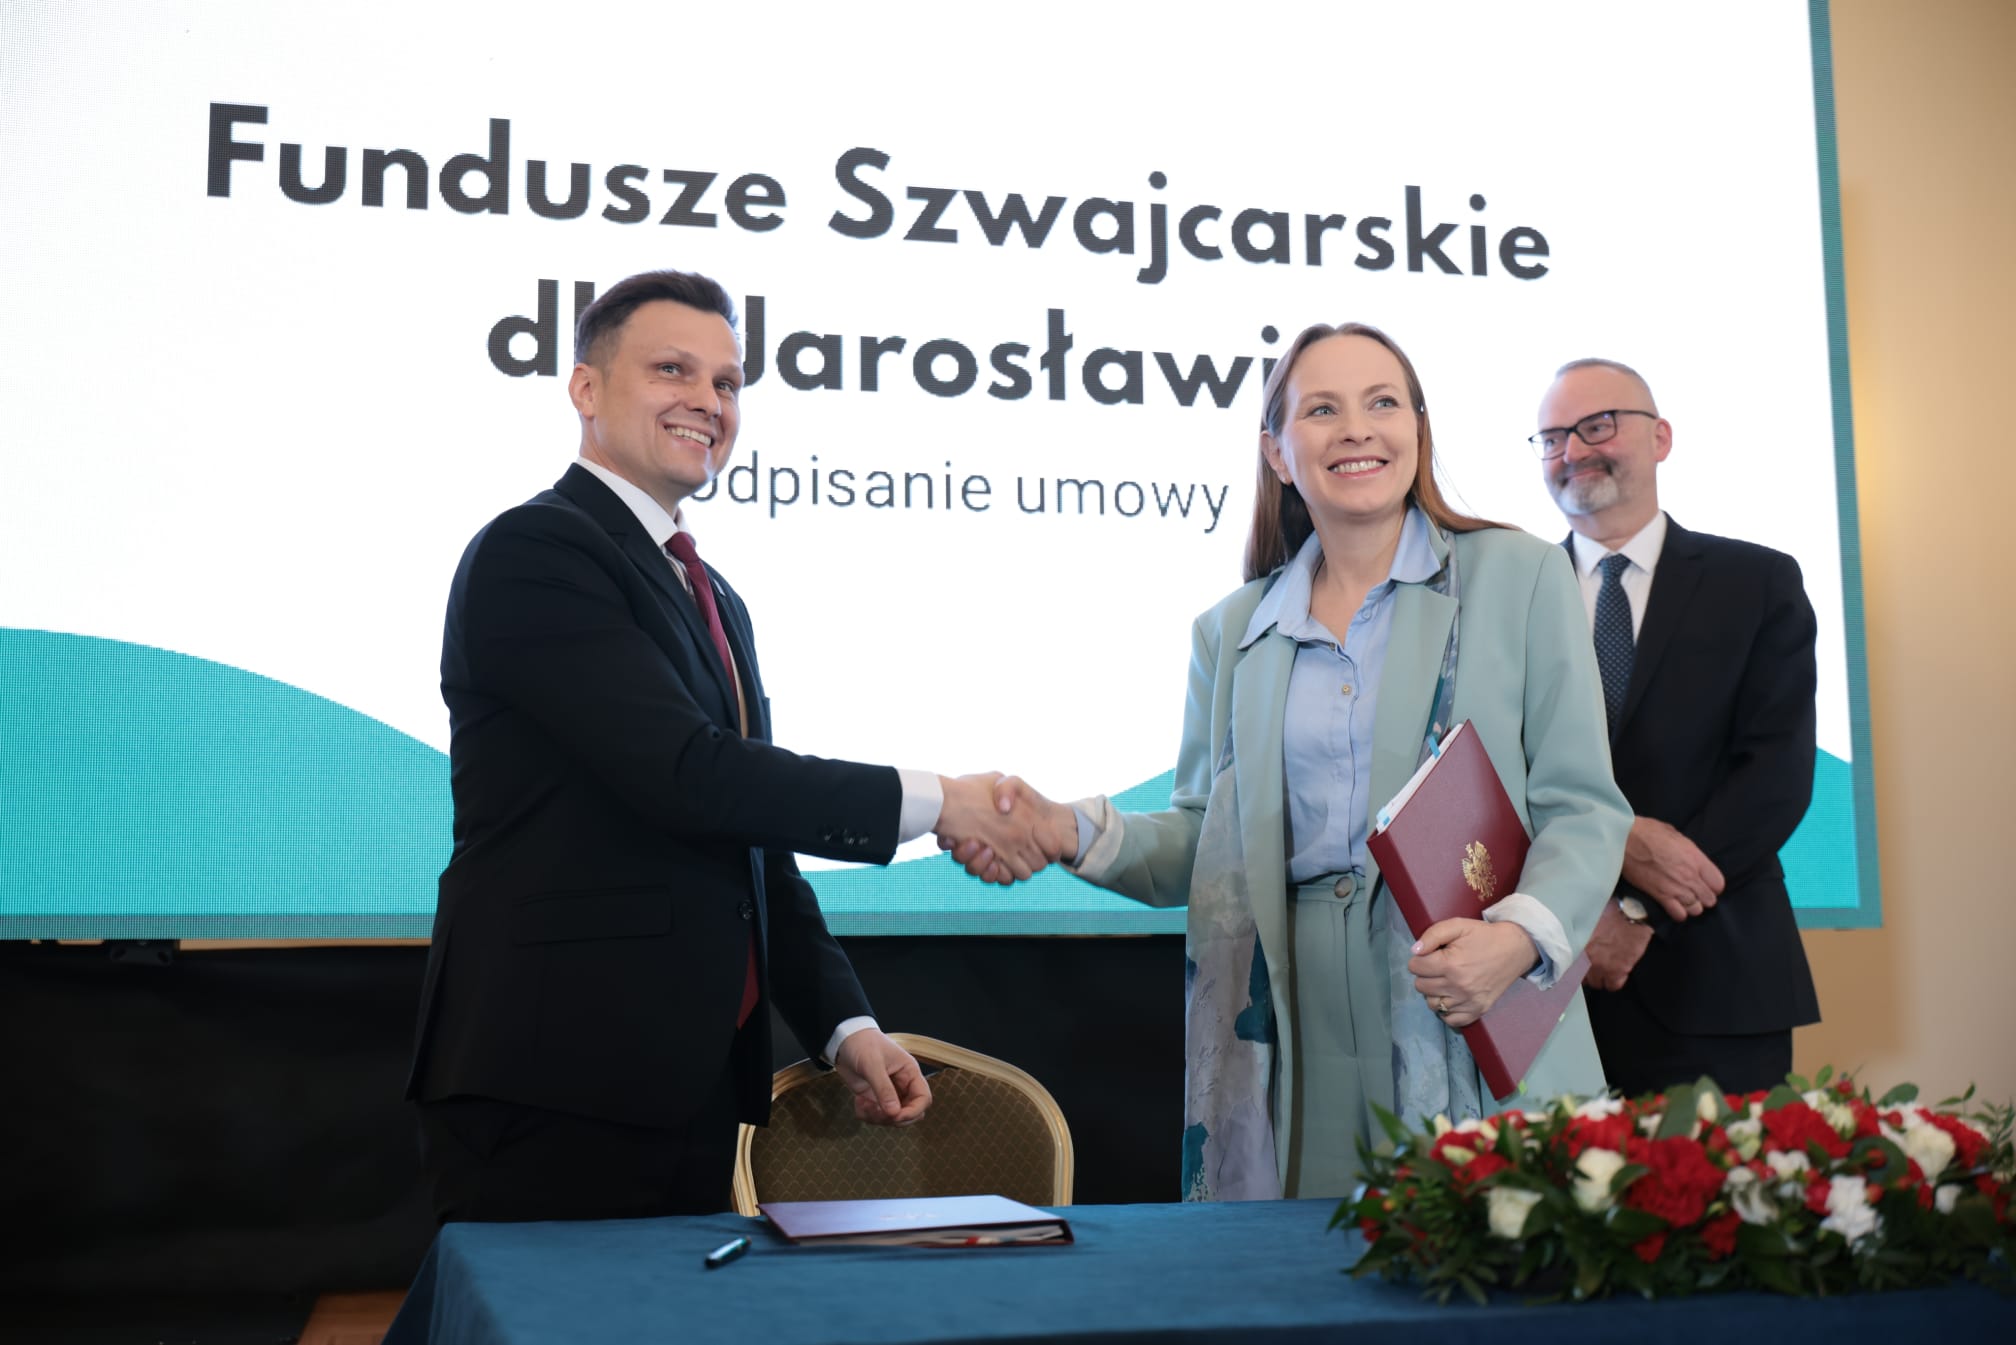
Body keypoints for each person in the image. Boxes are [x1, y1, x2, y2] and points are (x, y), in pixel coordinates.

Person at [403, 268, 1052, 1222]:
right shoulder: (533, 553)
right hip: (551, 1082)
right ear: (586, 389)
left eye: (727, 382)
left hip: (686, 1087)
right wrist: (940, 800)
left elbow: (752, 841)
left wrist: (844, 1025)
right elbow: (689, 775)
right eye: (672, 370)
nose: (708, 401)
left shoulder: (714, 597)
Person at [957, 324, 1630, 1200]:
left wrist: (1515, 940)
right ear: (1277, 451)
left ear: (1418, 428)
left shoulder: (1522, 575)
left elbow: (1584, 806)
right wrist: (1065, 830)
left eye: (1382, 403)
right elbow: (1202, 846)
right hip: (1288, 1013)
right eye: (1322, 410)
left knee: (1489, 1261)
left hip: (1471, 983)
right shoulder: (1232, 631)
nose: (1356, 429)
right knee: (1314, 1262)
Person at [1533, 357, 1820, 1096]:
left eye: (1597, 425)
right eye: (1553, 437)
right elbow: (1486, 773)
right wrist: (1612, 847)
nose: (1573, 451)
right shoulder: (1509, 595)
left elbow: (1775, 779)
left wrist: (1635, 911)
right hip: (1543, 986)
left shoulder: (1757, 582)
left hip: (1716, 983)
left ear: (1660, 437)